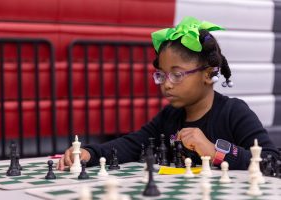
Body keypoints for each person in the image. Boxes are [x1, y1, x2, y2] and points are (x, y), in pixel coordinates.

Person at [57, 16, 279, 171]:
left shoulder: (234, 112)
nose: (167, 85)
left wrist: (215, 151)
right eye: (161, 75)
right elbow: (133, 144)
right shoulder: (169, 118)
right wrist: (89, 153)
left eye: (177, 75)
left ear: (208, 74)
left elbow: (273, 160)